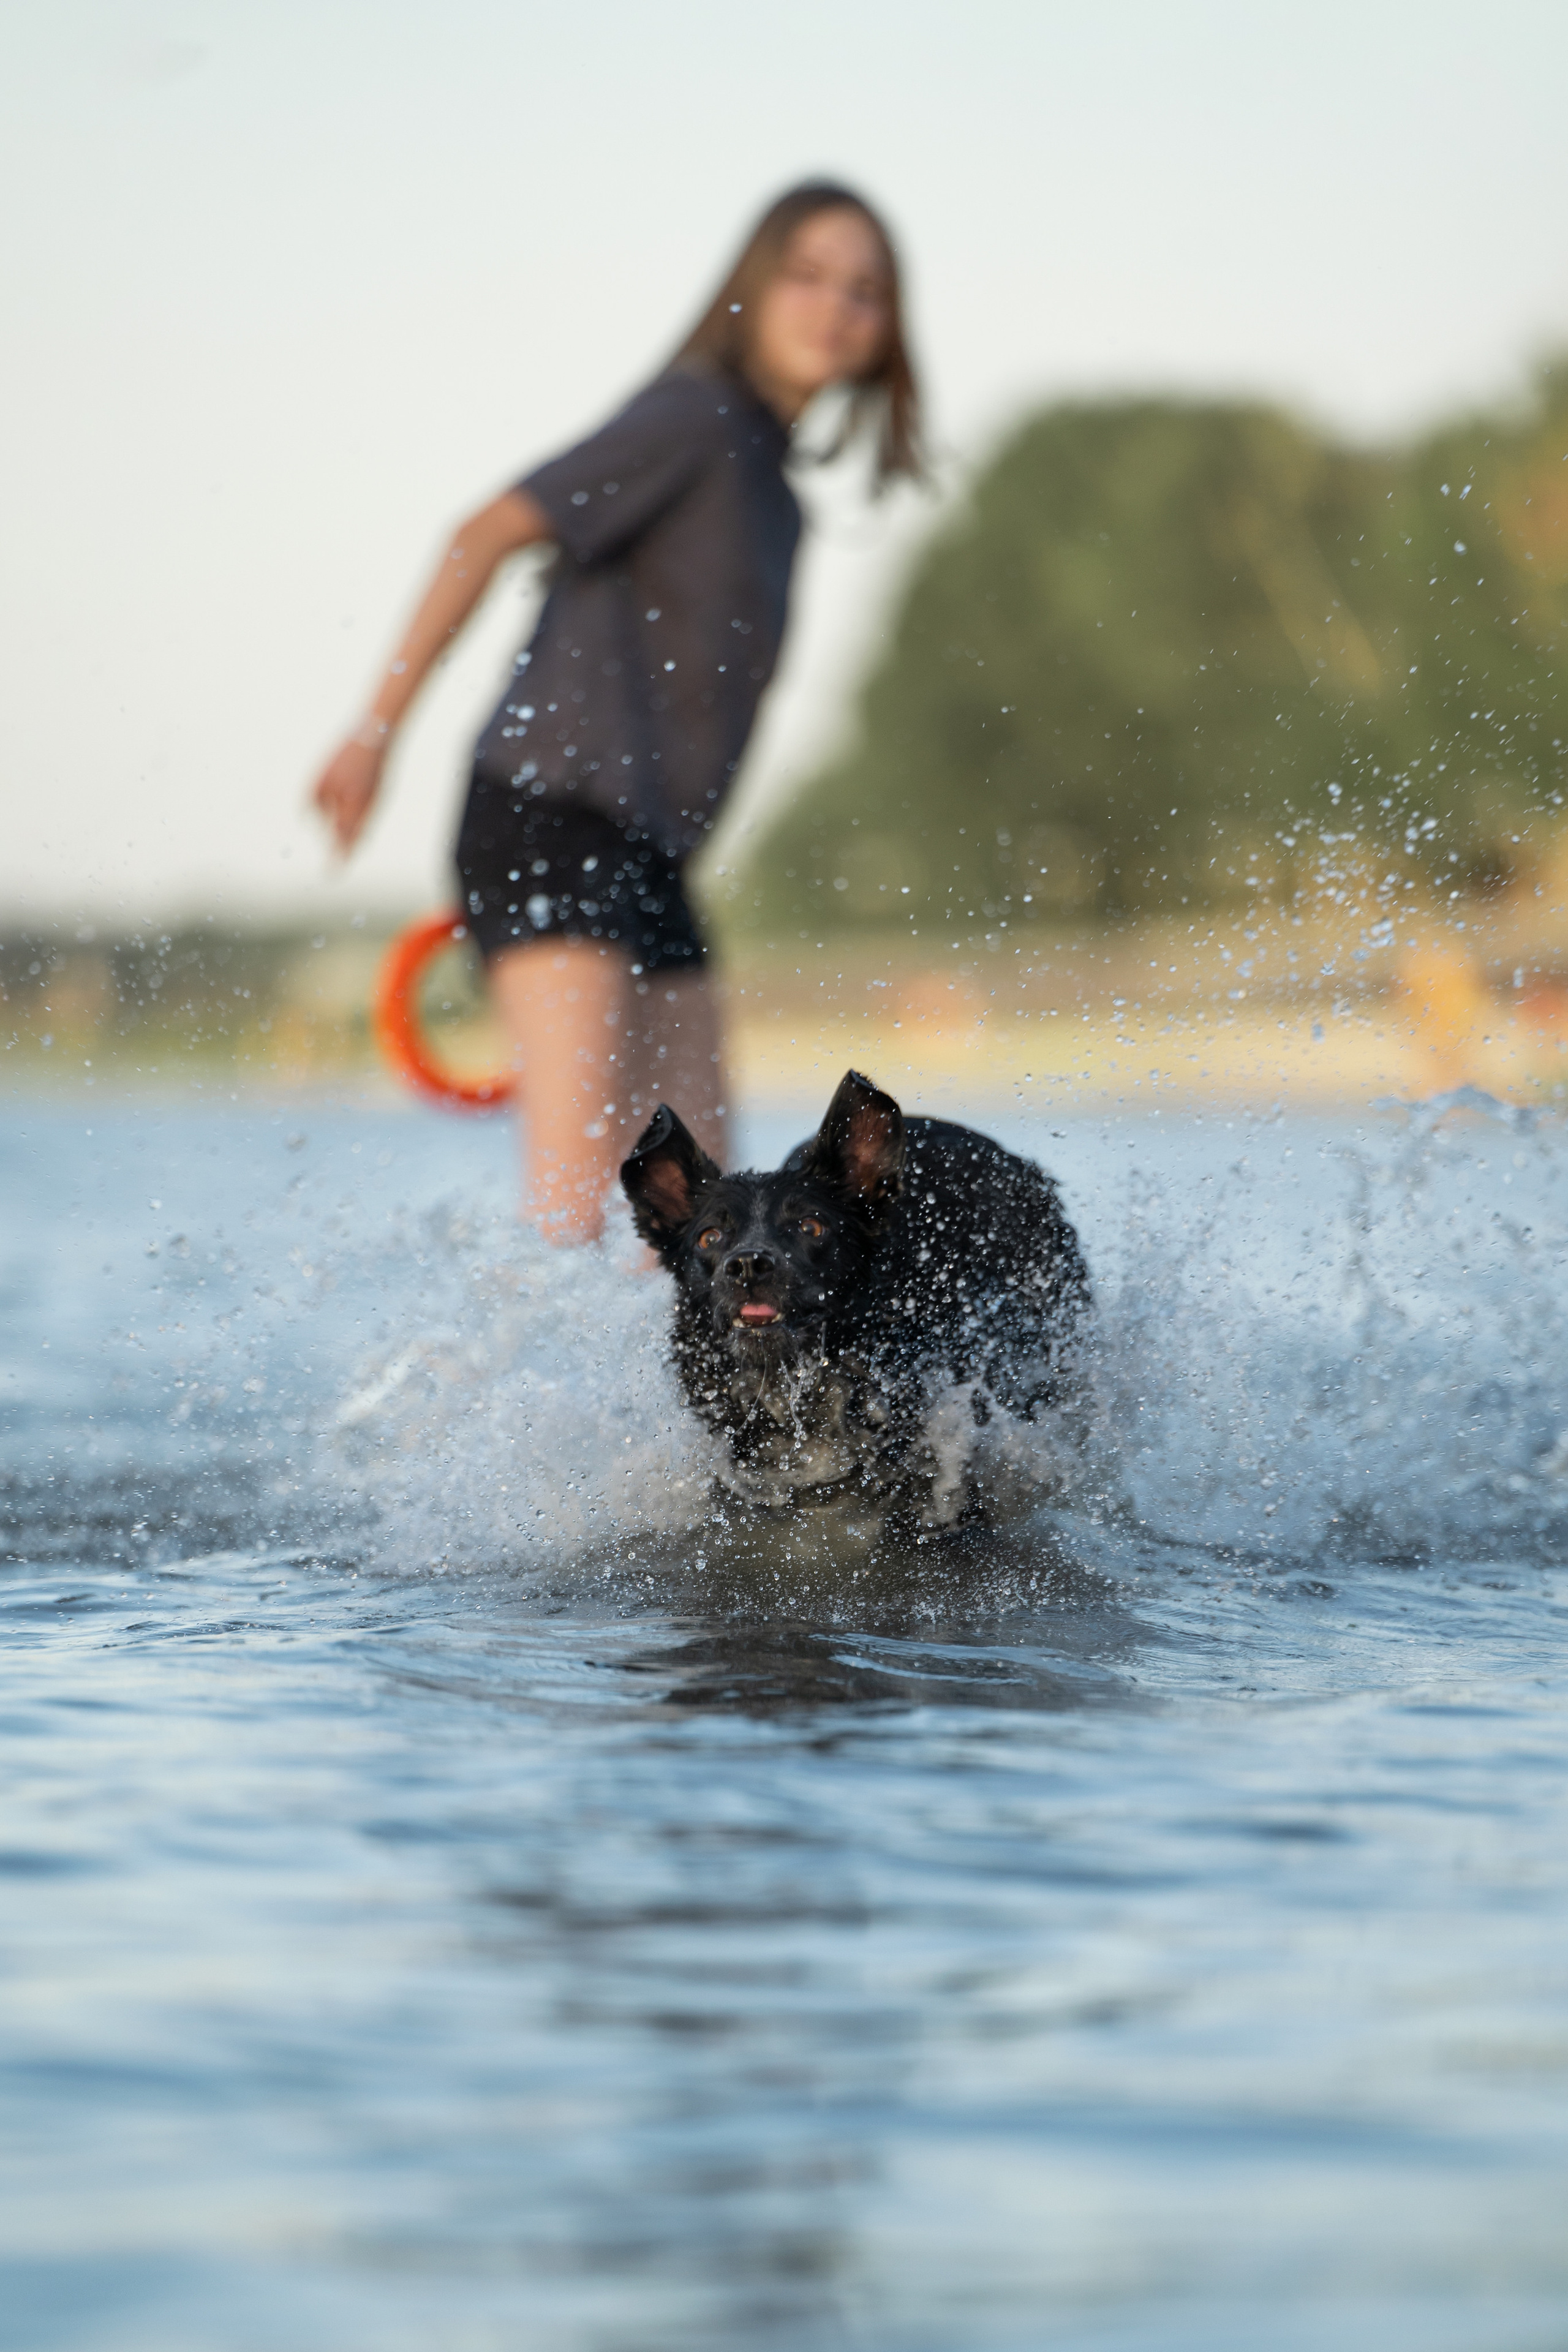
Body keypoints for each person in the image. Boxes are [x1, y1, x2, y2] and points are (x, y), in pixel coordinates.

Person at [311, 181, 921, 1242]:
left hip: (650, 860)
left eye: (865, 291)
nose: (836, 307)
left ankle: (688, 1420)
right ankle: (469, 1413)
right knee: (570, 1217)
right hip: (549, 816)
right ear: (752, 288)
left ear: (888, 328)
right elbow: (487, 529)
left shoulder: (777, 492)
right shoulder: (693, 419)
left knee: (712, 1233)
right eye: (809, 276)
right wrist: (375, 733)